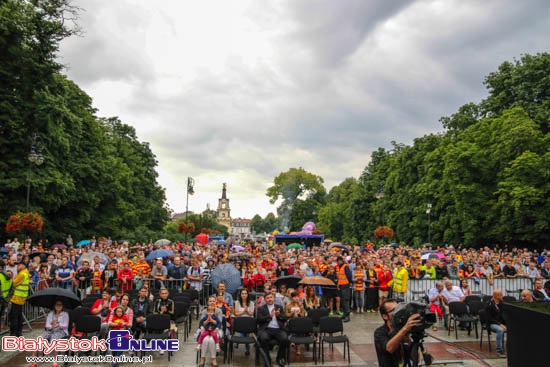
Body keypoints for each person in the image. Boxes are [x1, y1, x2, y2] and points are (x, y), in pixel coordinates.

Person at [374, 299, 421, 367]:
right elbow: (389, 348)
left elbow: (416, 359)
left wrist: (411, 340)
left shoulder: (404, 329)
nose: (398, 312)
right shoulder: (380, 332)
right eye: (393, 310)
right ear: (385, 316)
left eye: (398, 309)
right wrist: (405, 329)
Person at [30, 300, 69, 367]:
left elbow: (65, 325)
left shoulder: (65, 314)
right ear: (54, 306)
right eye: (57, 304)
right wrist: (51, 326)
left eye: (60, 305)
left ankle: (54, 361)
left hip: (60, 331)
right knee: (38, 340)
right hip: (50, 331)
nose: (58, 306)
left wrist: (58, 325)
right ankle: (34, 361)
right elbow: (47, 325)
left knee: (54, 340)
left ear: (62, 306)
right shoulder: (50, 314)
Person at [257, 293, 288, 367]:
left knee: (285, 339)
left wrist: (278, 315)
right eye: (267, 298)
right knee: (263, 338)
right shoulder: (261, 308)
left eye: (271, 297)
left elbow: (285, 318)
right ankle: (267, 359)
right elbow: (259, 320)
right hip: (267, 329)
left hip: (278, 329)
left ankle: (280, 358)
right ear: (265, 300)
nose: (270, 299)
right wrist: (269, 316)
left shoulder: (279, 307)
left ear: (274, 298)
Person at [9, 261, 30, 336]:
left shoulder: (22, 274)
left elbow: (13, 283)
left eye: (19, 265)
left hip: (17, 297)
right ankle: (18, 332)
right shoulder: (26, 274)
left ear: (23, 266)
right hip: (21, 297)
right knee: (19, 316)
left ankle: (14, 333)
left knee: (14, 316)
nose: (17, 267)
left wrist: (11, 280)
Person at [233, 288, 255, 356]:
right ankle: (242, 345)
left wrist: (247, 311)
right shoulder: (237, 302)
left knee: (247, 335)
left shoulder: (251, 303)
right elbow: (236, 313)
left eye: (245, 294)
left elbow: (252, 314)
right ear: (240, 295)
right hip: (240, 321)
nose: (244, 295)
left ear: (247, 295)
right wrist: (243, 312)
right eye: (243, 294)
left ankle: (246, 349)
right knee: (244, 333)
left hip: (248, 321)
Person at [486, 289, 507, 358]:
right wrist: (500, 324)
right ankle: (499, 350)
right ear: (496, 296)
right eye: (501, 295)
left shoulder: (502, 303)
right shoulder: (489, 304)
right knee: (500, 330)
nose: (502, 296)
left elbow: (504, 315)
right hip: (492, 323)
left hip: (501, 323)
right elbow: (489, 319)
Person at [336, 256, 353, 322]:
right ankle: (344, 314)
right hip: (341, 286)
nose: (338, 262)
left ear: (341, 261)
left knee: (346, 301)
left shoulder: (345, 267)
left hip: (345, 286)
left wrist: (349, 282)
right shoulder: (340, 267)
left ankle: (347, 316)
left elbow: (349, 275)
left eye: (338, 261)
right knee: (343, 301)